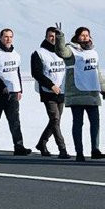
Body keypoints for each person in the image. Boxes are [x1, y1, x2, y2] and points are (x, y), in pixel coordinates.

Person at [58, 26, 105, 162]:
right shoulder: (71, 51)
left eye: (87, 35)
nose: (85, 37)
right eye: (82, 35)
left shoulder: (93, 52)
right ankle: (79, 152)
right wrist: (60, 38)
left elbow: (96, 71)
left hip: (92, 92)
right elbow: (61, 51)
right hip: (77, 92)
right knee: (78, 123)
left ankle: (95, 149)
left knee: (95, 123)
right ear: (77, 37)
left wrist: (104, 88)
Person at [0, 28, 30, 156]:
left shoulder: (15, 54)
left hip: (13, 93)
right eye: (5, 37)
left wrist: (19, 89)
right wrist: (1, 86)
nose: (8, 39)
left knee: (15, 121)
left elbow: (16, 72)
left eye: (10, 37)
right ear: (0, 37)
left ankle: (19, 146)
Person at [31, 25, 70, 158]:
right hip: (48, 91)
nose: (53, 39)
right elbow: (36, 73)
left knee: (55, 121)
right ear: (46, 37)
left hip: (62, 91)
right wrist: (51, 85)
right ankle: (62, 149)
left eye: (55, 36)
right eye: (50, 36)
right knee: (55, 119)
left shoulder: (63, 52)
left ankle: (42, 143)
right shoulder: (39, 53)